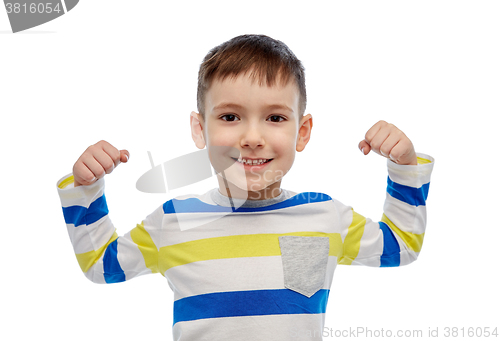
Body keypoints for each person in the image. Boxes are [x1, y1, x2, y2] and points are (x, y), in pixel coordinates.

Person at [56, 34, 434, 341]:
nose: (252, 137)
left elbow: (401, 246)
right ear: (200, 129)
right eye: (230, 116)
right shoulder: (174, 221)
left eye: (274, 117)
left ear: (301, 132)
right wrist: (87, 189)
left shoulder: (324, 216)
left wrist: (403, 168)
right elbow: (101, 266)